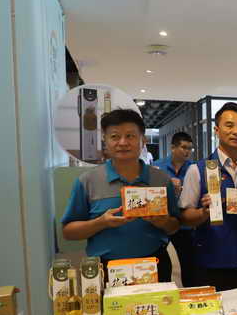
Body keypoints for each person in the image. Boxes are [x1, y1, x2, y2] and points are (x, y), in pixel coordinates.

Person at [62, 109, 180, 282]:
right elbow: (68, 232)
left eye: (130, 136)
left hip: (154, 265)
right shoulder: (87, 181)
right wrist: (101, 222)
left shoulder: (161, 179)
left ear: (143, 140)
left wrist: (162, 221)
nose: (123, 142)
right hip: (106, 269)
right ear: (105, 140)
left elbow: (175, 226)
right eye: (115, 136)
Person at [179, 102, 237, 291]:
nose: (236, 131)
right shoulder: (198, 169)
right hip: (210, 262)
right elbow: (184, 217)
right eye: (229, 125)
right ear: (216, 130)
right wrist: (204, 212)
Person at [154, 132, 196, 287]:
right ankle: (163, 290)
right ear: (173, 148)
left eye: (190, 148)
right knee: (161, 262)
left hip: (185, 222)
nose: (187, 152)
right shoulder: (157, 167)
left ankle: (189, 292)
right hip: (163, 221)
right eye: (184, 147)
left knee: (189, 263)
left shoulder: (193, 168)